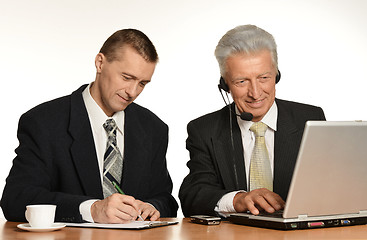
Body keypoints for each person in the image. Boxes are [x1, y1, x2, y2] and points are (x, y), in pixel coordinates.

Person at [1, 29, 178, 223]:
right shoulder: (43, 122)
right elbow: (16, 199)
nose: (132, 92)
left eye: (142, 83)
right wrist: (92, 210)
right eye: (126, 78)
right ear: (100, 63)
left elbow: (165, 199)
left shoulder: (154, 128)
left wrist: (152, 207)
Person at [179, 25, 326, 217]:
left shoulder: (309, 119)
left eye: (264, 78)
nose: (255, 93)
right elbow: (193, 195)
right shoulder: (204, 130)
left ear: (277, 75)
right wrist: (237, 199)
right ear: (225, 84)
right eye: (242, 81)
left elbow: (331, 185)